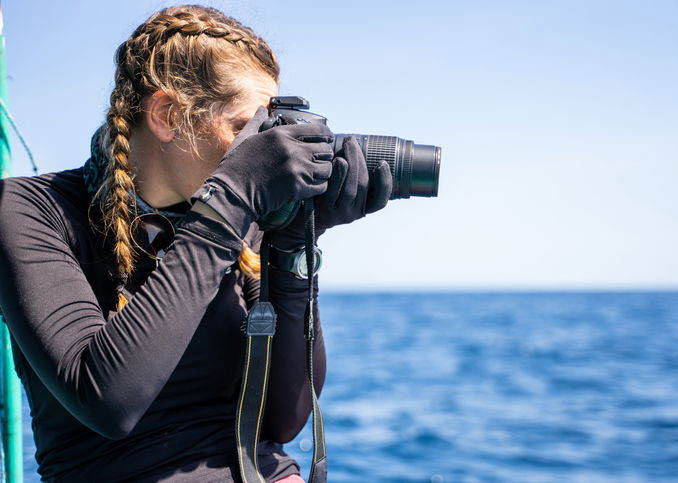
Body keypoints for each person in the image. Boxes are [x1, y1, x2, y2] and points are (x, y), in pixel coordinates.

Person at [0, 5, 392, 482]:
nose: (265, 153)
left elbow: (283, 421)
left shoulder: (241, 221)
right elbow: (106, 401)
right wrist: (231, 200)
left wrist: (294, 249)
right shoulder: (29, 209)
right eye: (247, 131)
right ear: (167, 116)